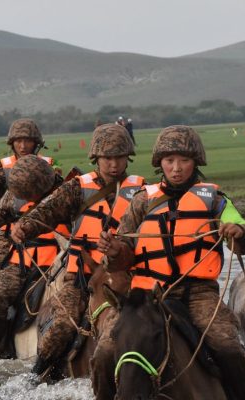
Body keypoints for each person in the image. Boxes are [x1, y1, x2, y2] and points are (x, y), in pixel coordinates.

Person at [95, 125, 245, 399]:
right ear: (160, 163)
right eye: (169, 161)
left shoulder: (215, 200)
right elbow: (124, 252)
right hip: (144, 297)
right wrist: (113, 251)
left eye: (184, 160)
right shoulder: (141, 202)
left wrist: (239, 232)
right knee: (104, 354)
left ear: (195, 162)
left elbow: (244, 230)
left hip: (197, 294)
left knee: (227, 347)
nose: (177, 168)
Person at [9, 124, 144, 377]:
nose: (113, 164)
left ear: (128, 157)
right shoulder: (77, 188)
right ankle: (38, 376)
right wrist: (24, 227)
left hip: (129, 277)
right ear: (96, 158)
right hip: (82, 278)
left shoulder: (143, 190)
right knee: (61, 326)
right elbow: (47, 211)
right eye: (107, 158)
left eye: (119, 157)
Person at [0, 155, 67, 359]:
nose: (25, 198)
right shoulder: (16, 194)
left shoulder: (67, 192)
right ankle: (1, 355)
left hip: (61, 261)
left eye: (30, 194)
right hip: (21, 264)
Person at [0, 118, 59, 280]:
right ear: (12, 143)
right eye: (18, 141)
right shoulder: (1, 167)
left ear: (36, 143)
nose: (22, 146)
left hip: (46, 234)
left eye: (27, 141)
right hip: (9, 235)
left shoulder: (50, 165)